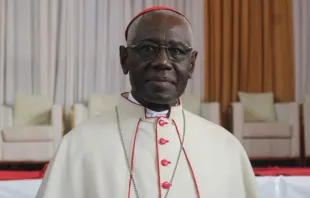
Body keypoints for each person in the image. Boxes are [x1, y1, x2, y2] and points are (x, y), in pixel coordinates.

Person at [36, 6, 259, 198]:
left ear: (191, 64)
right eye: (148, 49)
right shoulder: (78, 146)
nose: (162, 62)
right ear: (124, 59)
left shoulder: (226, 147)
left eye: (176, 51)